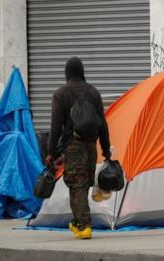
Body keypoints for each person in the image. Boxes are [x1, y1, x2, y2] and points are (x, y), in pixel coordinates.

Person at [45, 57, 111, 239]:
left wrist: (50, 152)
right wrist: (106, 149)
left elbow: (55, 126)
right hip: (91, 146)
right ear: (82, 71)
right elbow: (102, 125)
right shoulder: (93, 92)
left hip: (73, 147)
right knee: (82, 183)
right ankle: (78, 222)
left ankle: (84, 226)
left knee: (78, 184)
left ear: (67, 73)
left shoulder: (61, 94)